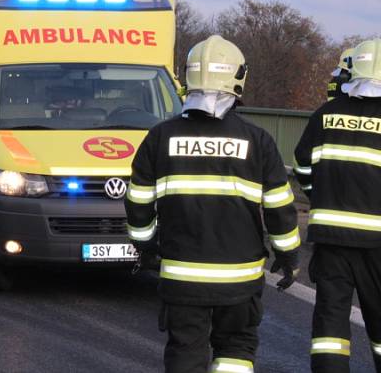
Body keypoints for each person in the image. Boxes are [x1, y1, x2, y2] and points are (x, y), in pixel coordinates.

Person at [125, 35, 300, 373]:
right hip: (240, 278)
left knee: (185, 352)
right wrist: (289, 256)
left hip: (181, 276)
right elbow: (280, 208)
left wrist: (145, 247)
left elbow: (138, 203)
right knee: (235, 350)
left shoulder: (160, 137)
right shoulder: (258, 140)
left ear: (187, 79)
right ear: (238, 78)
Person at [294, 38, 381, 372]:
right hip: (377, 243)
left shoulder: (326, 114)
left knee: (330, 322)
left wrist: (323, 195)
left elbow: (302, 165)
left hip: (331, 238)